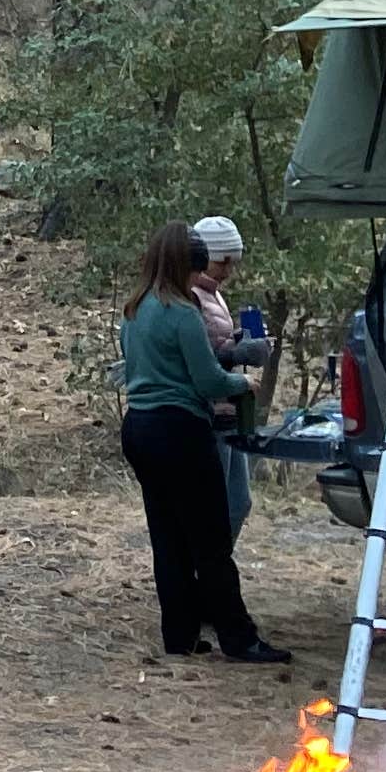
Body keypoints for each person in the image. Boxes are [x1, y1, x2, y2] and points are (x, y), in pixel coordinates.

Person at [116, 225, 288, 664]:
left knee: (167, 537)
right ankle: (239, 637)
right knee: (210, 540)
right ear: (184, 265)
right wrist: (242, 382)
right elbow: (207, 378)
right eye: (195, 270)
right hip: (181, 430)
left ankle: (180, 635)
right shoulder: (181, 313)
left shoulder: (135, 309)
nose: (198, 280)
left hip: (140, 427)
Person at [186, 215, 277, 532]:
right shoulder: (191, 296)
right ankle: (206, 573)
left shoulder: (214, 293)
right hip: (209, 410)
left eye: (232, 262)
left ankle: (216, 569)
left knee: (238, 502)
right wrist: (234, 353)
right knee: (215, 505)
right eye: (223, 261)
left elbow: (213, 339)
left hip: (229, 409)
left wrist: (244, 340)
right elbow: (193, 355)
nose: (228, 270)